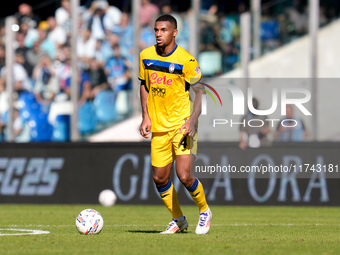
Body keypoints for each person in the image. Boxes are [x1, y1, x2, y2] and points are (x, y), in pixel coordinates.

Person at [139, 14, 212, 235]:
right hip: (159, 128)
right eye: (156, 30)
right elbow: (144, 86)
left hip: (182, 125)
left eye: (163, 30)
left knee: (184, 175)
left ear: (174, 32)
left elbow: (201, 94)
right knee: (159, 178)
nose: (159, 34)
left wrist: (192, 121)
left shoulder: (186, 61)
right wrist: (145, 116)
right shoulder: (146, 56)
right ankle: (178, 220)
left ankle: (205, 211)